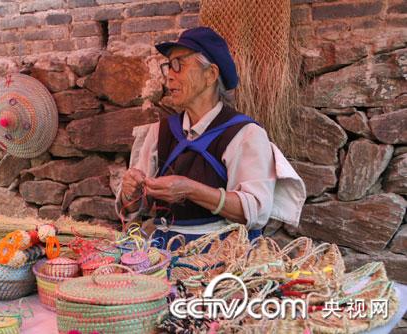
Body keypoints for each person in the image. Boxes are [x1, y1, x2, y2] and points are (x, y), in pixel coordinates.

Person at [116, 27, 306, 251]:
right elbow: (136, 207)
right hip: (162, 253)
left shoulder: (245, 135)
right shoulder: (161, 132)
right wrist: (133, 192)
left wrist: (191, 190)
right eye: (168, 65)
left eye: (179, 64)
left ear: (210, 75)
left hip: (220, 256)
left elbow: (256, 211)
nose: (168, 75)